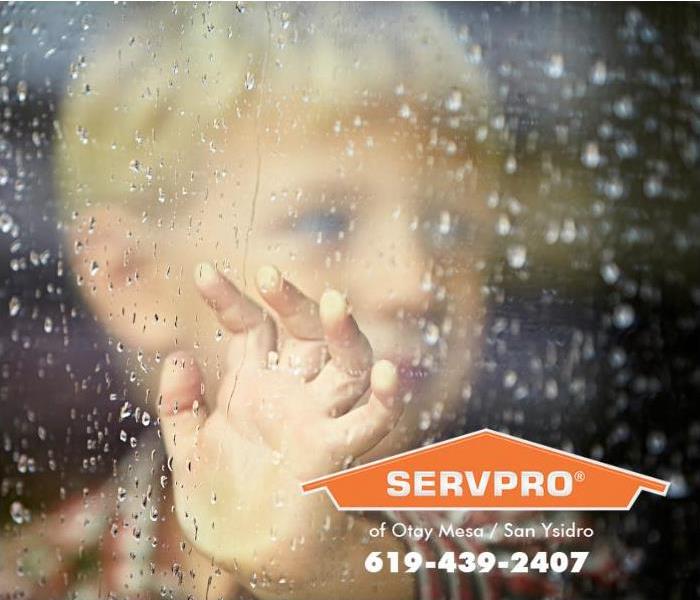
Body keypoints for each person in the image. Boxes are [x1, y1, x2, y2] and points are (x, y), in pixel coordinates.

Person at [1, 4, 623, 599]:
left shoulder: (534, 542)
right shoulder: (34, 578)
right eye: (325, 223)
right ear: (130, 277)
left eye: (453, 230)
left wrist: (333, 573)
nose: (412, 284)